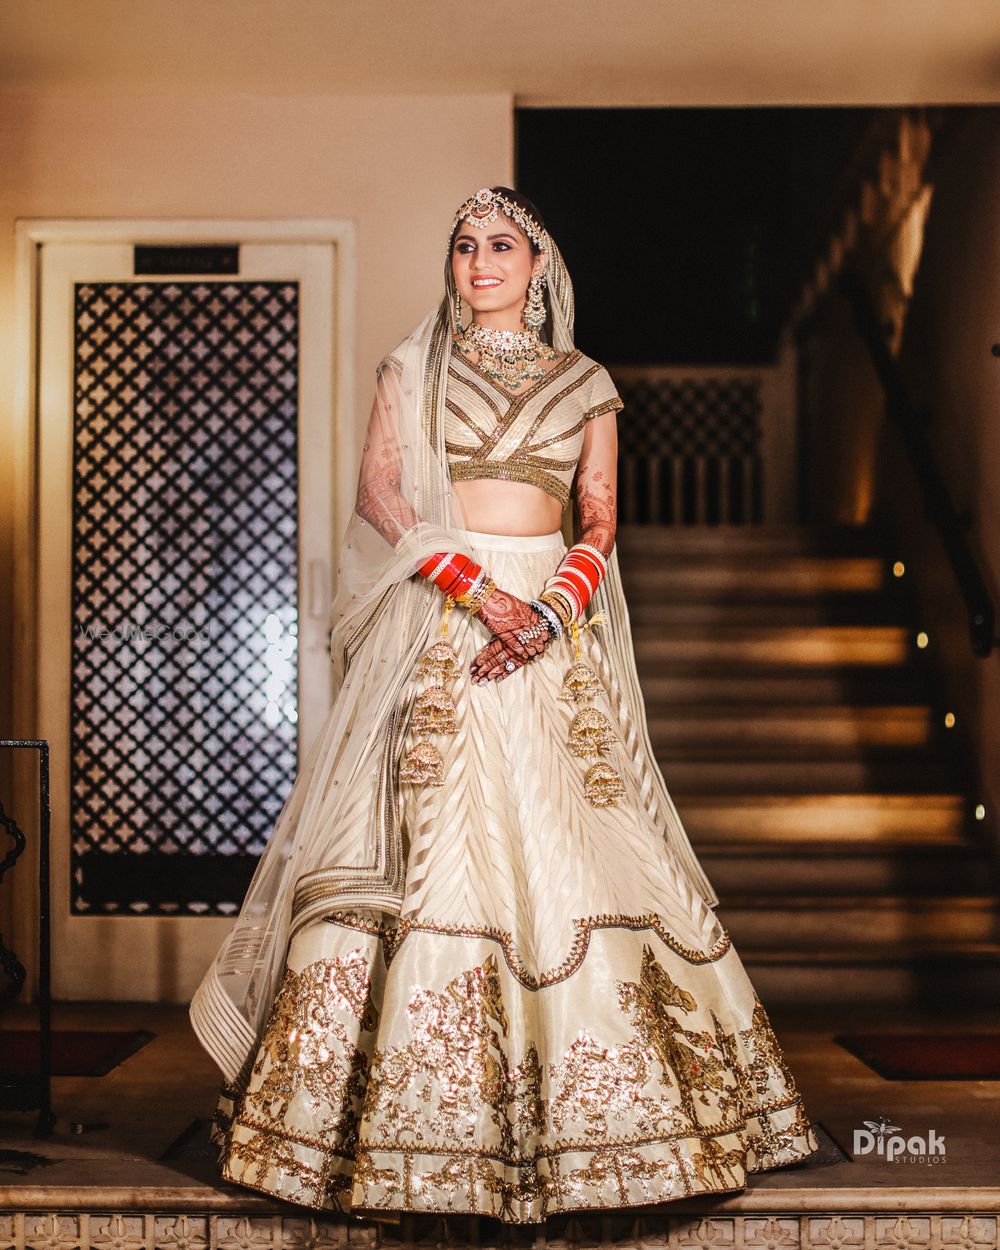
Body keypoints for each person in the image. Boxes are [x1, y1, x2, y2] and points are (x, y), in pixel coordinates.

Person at [189, 185, 820, 1223]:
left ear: (539, 268)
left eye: (501, 245)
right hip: (444, 617)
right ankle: (399, 1128)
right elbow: (379, 495)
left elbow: (600, 515)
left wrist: (546, 611)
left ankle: (618, 1129)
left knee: (577, 834)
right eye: (464, 245)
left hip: (547, 630)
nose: (479, 261)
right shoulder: (412, 366)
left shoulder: (585, 380)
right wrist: (479, 593)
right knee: (423, 835)